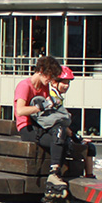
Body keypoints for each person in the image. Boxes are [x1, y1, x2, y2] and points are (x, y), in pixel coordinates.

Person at [13, 56, 75, 194]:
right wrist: (40, 107)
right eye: (49, 76)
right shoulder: (25, 86)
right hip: (27, 127)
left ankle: (54, 174)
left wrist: (74, 134)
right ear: (41, 71)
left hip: (42, 125)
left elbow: (50, 114)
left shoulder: (45, 87)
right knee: (59, 140)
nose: (50, 80)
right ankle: (54, 175)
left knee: (62, 134)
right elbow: (20, 110)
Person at [48, 66, 96, 178]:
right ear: (54, 82)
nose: (67, 86)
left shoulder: (57, 96)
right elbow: (59, 122)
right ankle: (89, 176)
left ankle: (89, 176)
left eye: (68, 83)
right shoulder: (53, 98)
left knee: (87, 146)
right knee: (89, 147)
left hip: (59, 133)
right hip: (56, 135)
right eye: (64, 83)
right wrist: (77, 138)